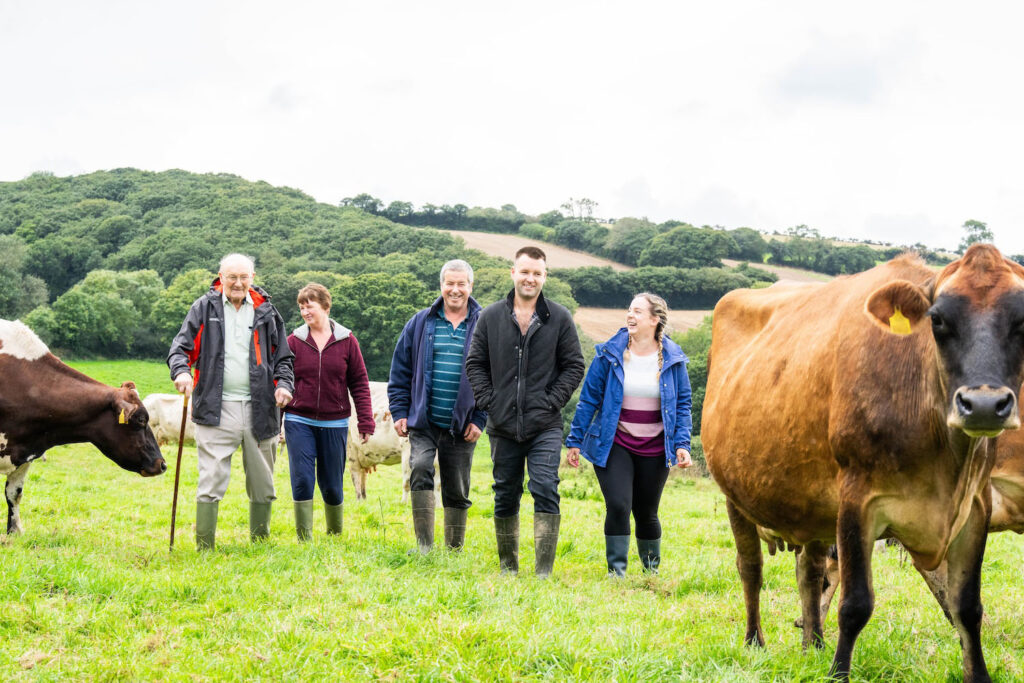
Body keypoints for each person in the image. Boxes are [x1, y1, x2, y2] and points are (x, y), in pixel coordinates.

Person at [465, 246, 585, 578]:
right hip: (502, 423)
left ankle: (544, 571)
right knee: (505, 491)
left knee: (545, 486)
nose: (530, 278)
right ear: (513, 273)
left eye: (537, 273)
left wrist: (551, 401)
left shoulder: (559, 318)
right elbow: (474, 364)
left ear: (545, 277)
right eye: (525, 271)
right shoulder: (489, 317)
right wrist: (489, 400)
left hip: (544, 423)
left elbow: (574, 366)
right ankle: (508, 568)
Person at [168, 253, 294, 549]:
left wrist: (284, 386)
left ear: (252, 278)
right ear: (220, 277)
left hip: (261, 409)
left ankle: (260, 545)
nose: (238, 283)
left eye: (244, 277)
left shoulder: (268, 312)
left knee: (263, 484)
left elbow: (283, 359)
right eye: (232, 277)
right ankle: (204, 547)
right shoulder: (203, 308)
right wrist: (182, 372)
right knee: (210, 480)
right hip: (215, 408)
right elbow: (180, 349)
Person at [565, 293, 692, 576]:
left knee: (646, 512)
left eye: (637, 311)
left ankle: (651, 572)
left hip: (656, 448)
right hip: (615, 444)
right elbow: (589, 399)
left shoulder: (673, 358)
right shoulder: (609, 354)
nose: (630, 316)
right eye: (629, 310)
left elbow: (683, 403)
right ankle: (617, 573)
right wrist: (575, 440)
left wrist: (683, 443)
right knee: (619, 505)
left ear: (654, 320)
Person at [388, 260, 487, 553]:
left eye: (461, 284)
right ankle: (424, 547)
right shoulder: (420, 322)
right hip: (424, 419)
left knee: (456, 486)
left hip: (463, 423)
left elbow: (495, 377)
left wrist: (480, 418)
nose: (455, 290)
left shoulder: (486, 325)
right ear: (441, 285)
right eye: (449, 283)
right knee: (419, 467)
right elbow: (400, 370)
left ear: (471, 286)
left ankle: (454, 548)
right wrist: (400, 410)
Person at [283, 283, 375, 541]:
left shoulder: (347, 341)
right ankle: (304, 537)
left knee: (332, 484)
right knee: (302, 478)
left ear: (324, 305)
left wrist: (366, 421)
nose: (304, 312)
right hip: (298, 419)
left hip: (335, 422)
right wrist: (276, 422)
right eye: (301, 307)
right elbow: (282, 381)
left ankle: (334, 535)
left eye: (309, 306)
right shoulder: (293, 341)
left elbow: (359, 382)